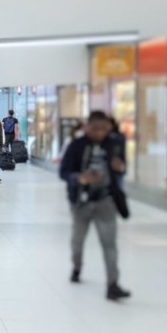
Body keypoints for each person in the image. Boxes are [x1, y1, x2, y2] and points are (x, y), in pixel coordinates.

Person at [60, 111, 131, 301]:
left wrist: (120, 167)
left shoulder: (115, 144)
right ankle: (77, 267)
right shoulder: (76, 145)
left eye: (104, 129)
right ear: (87, 127)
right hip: (81, 201)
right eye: (95, 129)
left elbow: (122, 167)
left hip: (105, 200)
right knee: (78, 239)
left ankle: (113, 284)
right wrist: (79, 178)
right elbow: (64, 171)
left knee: (109, 244)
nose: (100, 133)